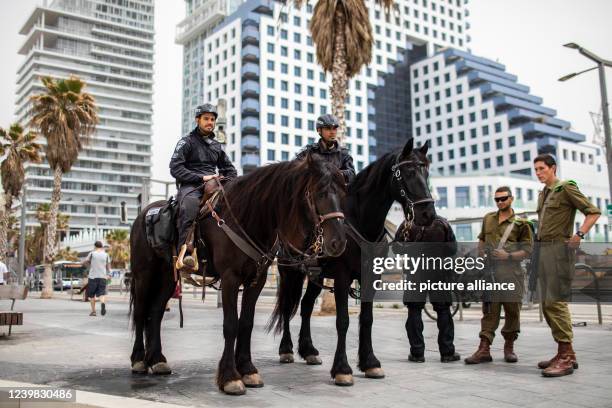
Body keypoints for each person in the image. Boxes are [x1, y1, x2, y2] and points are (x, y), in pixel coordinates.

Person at [532, 154, 600, 377]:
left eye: (542, 168)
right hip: (543, 251)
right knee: (546, 303)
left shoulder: (566, 188)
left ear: (553, 168)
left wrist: (579, 234)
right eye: (536, 169)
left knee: (555, 301)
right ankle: (563, 352)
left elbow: (593, 211)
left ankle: (567, 357)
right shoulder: (544, 193)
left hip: (558, 251)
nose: (538, 173)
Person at [465, 186, 533, 365]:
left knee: (512, 311)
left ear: (511, 199)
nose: (500, 202)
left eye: (503, 198)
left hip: (512, 274)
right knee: (489, 311)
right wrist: (481, 257)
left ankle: (509, 347)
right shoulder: (488, 219)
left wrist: (508, 256)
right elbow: (481, 238)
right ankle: (484, 349)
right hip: (490, 273)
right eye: (497, 199)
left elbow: (528, 250)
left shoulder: (521, 223)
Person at [170, 103, 237, 271]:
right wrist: (201, 177)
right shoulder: (186, 142)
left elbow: (230, 169)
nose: (210, 122)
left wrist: (225, 178)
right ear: (197, 120)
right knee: (190, 206)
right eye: (206, 119)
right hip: (191, 186)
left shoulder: (216, 146)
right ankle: (184, 253)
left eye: (213, 119)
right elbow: (175, 168)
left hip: (213, 185)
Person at [399, 216, 461, 363]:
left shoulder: (408, 224)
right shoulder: (442, 223)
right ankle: (447, 353)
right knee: (443, 310)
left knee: (414, 311)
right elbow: (452, 249)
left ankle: (417, 353)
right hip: (438, 272)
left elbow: (396, 248)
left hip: (415, 272)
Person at [296, 114, 355, 184]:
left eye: (334, 128)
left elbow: (352, 174)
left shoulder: (344, 153)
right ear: (319, 130)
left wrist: (333, 174)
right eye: (328, 128)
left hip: (336, 192)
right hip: (313, 191)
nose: (332, 132)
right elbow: (294, 169)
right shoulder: (308, 151)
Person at [84, 241, 111, 316]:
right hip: (103, 277)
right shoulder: (106, 255)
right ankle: (102, 303)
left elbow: (85, 262)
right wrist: (109, 274)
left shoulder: (92, 253)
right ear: (102, 247)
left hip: (93, 277)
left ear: (95, 246)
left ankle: (93, 311)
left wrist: (89, 266)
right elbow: (108, 267)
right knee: (102, 293)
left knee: (92, 295)